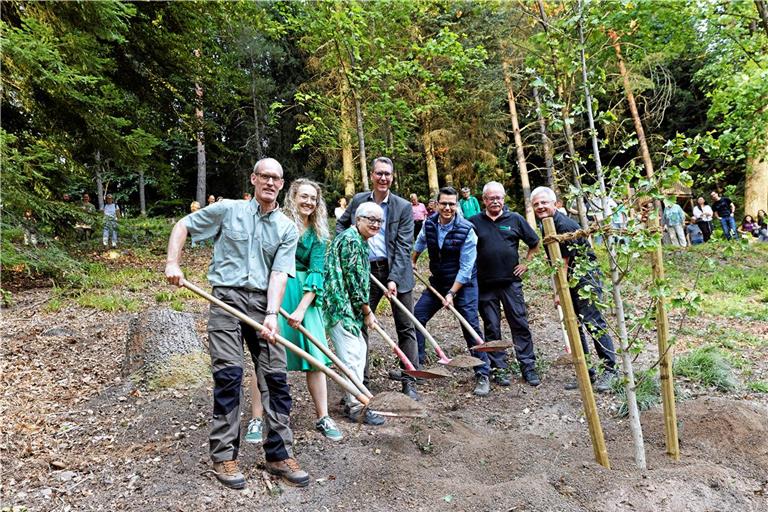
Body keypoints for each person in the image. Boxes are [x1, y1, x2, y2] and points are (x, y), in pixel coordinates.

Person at [164, 157, 308, 489]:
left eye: (277, 178)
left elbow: (278, 274)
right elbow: (183, 225)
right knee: (229, 376)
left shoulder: (286, 228)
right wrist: (173, 262)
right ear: (254, 179)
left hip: (262, 303)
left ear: (282, 185)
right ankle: (224, 457)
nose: (270, 182)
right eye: (265, 176)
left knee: (275, 379)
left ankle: (279, 454)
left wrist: (272, 315)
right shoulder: (228, 210)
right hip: (225, 300)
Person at [246, 179, 343, 443]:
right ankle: (256, 419)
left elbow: (317, 273)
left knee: (316, 357)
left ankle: (323, 416)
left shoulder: (320, 234)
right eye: (304, 196)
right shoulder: (278, 224)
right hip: (276, 291)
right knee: (264, 357)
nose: (309, 202)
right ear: (293, 197)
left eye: (314, 198)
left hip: (305, 300)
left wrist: (301, 309)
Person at [336, 156, 420, 400]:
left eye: (388, 174)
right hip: (365, 271)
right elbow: (342, 226)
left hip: (396, 272)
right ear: (371, 175)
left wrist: (393, 278)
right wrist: (350, 245)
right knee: (360, 325)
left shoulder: (403, 207)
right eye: (379, 173)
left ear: (392, 177)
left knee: (406, 327)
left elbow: (405, 245)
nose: (383, 178)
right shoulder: (359, 201)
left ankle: (409, 381)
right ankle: (361, 382)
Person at [531, 186, 618, 392]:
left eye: (544, 202)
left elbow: (563, 260)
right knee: (574, 326)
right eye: (536, 204)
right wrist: (558, 291)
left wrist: (560, 291)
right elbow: (554, 260)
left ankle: (610, 370)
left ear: (556, 204)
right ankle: (586, 372)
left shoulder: (564, 224)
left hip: (584, 278)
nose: (540, 206)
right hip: (566, 278)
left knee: (593, 323)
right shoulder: (546, 224)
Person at [412, 187, 494, 396]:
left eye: (451, 204)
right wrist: (413, 260)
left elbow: (466, 268)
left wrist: (452, 293)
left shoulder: (467, 229)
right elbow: (420, 243)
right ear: (437, 204)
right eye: (444, 203)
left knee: (470, 326)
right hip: (437, 282)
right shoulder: (429, 224)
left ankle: (483, 373)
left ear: (456, 205)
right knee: (417, 317)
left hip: (464, 285)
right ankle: (417, 366)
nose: (448, 208)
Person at [469, 181, 541, 387]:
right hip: (484, 284)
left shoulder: (515, 219)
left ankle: (528, 366)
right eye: (491, 198)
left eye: (498, 198)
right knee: (492, 327)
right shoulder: (474, 222)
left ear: (503, 199)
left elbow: (534, 243)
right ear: (484, 200)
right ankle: (499, 369)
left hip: (511, 284)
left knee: (519, 324)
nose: (495, 201)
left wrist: (526, 263)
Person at [325, 202, 387, 425]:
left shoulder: (358, 240)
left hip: (346, 306)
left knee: (359, 350)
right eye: (371, 219)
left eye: (379, 220)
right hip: (339, 305)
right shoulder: (352, 241)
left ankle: (352, 396)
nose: (376, 224)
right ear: (357, 219)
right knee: (351, 355)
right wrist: (367, 311)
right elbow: (355, 282)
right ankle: (357, 406)